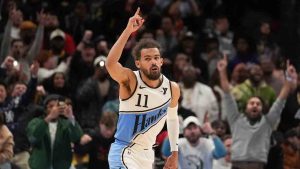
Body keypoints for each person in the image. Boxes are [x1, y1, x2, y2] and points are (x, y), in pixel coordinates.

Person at [105, 8, 180, 169]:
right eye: (147, 58)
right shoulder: (130, 80)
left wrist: (175, 153)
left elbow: (172, 119)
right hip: (125, 151)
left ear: (161, 61)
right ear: (138, 63)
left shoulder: (172, 88)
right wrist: (128, 31)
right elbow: (110, 64)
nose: (153, 62)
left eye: (156, 58)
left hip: (147, 156)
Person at [217, 55, 298, 169]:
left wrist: (289, 79)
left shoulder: (268, 122)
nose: (255, 105)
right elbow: (227, 94)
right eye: (251, 103)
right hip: (237, 166)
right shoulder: (236, 119)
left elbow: (281, 100)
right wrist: (222, 71)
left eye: (258, 104)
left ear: (262, 109)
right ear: (245, 108)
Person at [26, 94, 83, 169]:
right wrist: (48, 118)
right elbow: (33, 139)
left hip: (61, 166)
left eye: (57, 106)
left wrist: (71, 117)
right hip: (40, 166)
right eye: (51, 106)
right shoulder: (35, 122)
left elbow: (77, 138)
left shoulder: (66, 124)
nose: (54, 109)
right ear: (45, 109)